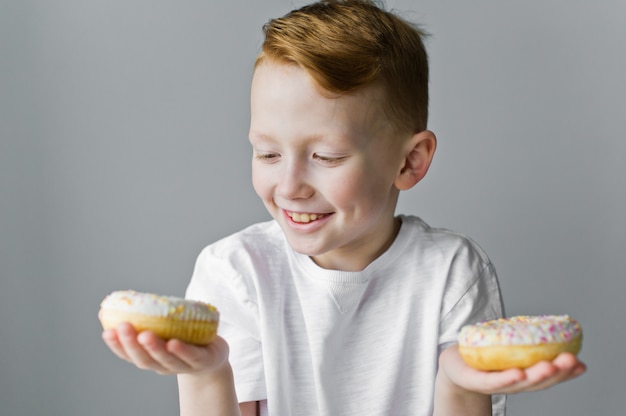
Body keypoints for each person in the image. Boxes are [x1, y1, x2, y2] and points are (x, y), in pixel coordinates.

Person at [102, 1, 586, 415]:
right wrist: (208, 373)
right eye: (267, 153)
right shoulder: (237, 272)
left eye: (326, 157)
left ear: (410, 161)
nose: (290, 185)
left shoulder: (451, 273)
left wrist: (459, 385)